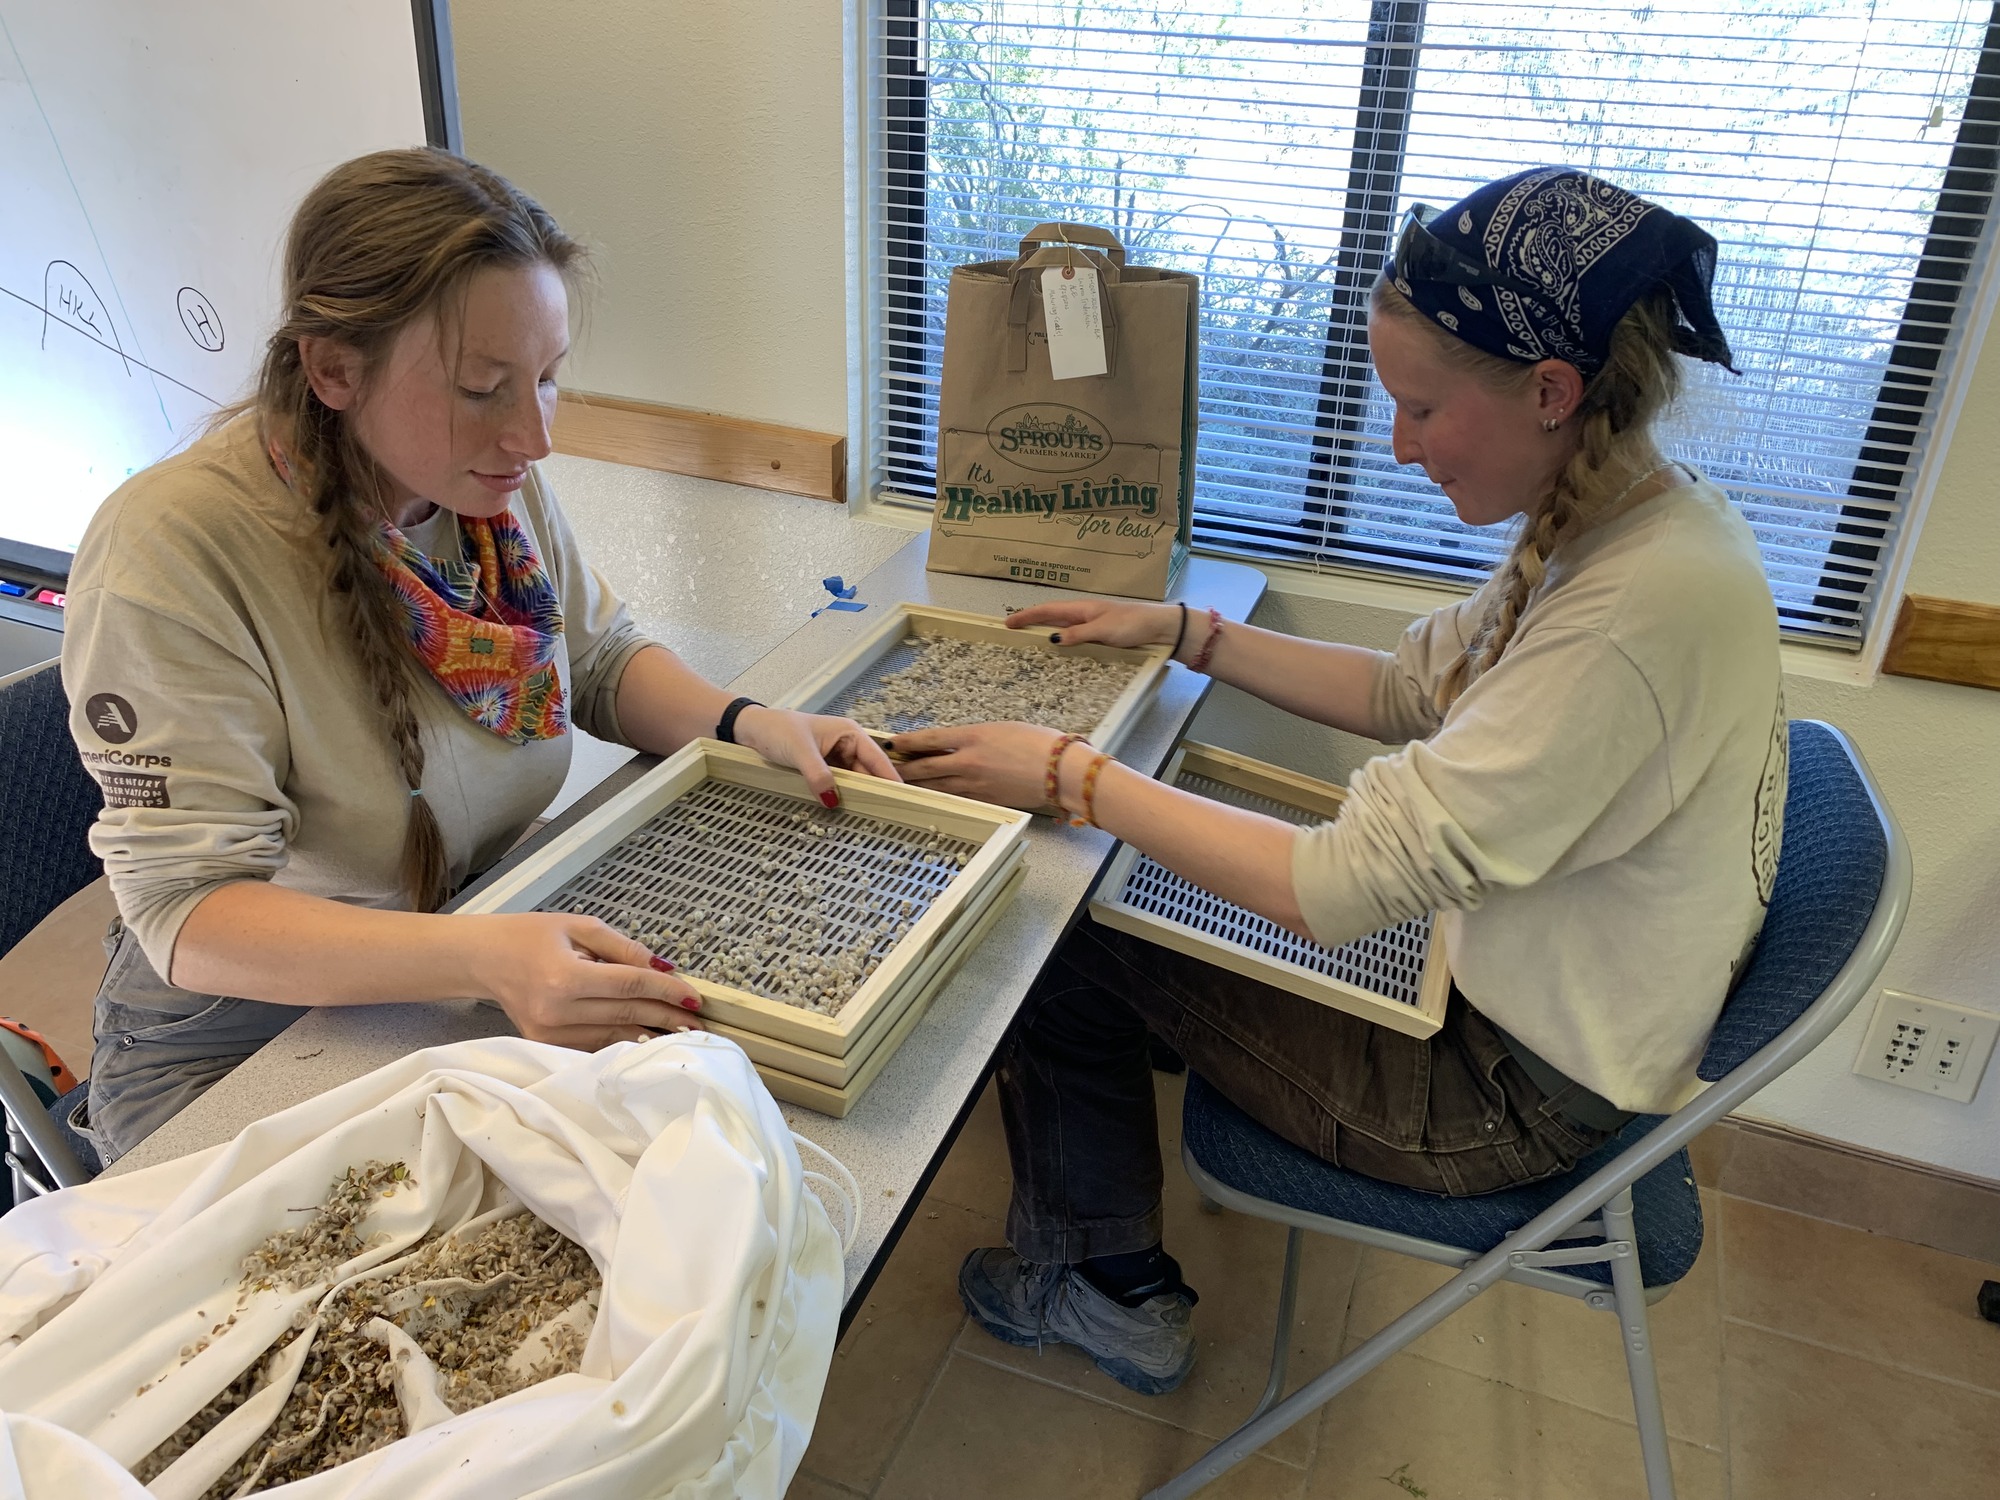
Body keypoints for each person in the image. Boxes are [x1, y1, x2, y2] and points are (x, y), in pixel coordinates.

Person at [892, 167, 1786, 1395]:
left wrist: (1069, 774)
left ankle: (1098, 1289)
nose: (1396, 442)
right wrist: (1181, 631)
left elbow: (1334, 885)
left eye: (1420, 409)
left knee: (1060, 925)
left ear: (1549, 391)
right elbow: (1408, 687)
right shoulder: (1625, 516)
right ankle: (1105, 1212)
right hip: (1510, 998)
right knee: (1142, 867)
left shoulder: (1634, 609)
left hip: (1494, 1098)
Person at [61, 149, 896, 1165]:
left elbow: (597, 659)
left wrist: (746, 722)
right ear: (332, 369)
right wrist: (479, 957)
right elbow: (189, 914)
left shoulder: (482, 483)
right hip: (234, 1038)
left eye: (546, 380)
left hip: (467, 943)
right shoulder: (173, 549)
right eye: (485, 387)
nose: (534, 435)